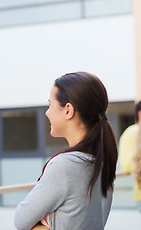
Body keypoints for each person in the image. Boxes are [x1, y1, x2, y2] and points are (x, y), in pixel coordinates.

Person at [14, 72, 118, 230]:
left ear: (68, 110)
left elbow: (20, 220)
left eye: (50, 105)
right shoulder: (102, 162)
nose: (47, 112)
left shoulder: (65, 165)